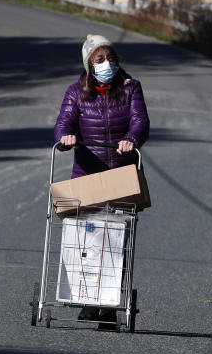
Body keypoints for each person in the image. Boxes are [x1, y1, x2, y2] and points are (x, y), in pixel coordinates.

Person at [54, 33, 150, 328]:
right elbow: (63, 122)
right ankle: (86, 298)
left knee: (115, 239)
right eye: (100, 59)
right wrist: (66, 137)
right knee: (84, 237)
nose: (107, 64)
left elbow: (140, 121)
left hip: (120, 173)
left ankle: (107, 306)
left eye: (111, 58)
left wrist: (131, 139)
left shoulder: (131, 88)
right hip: (87, 172)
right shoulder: (76, 92)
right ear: (89, 64)